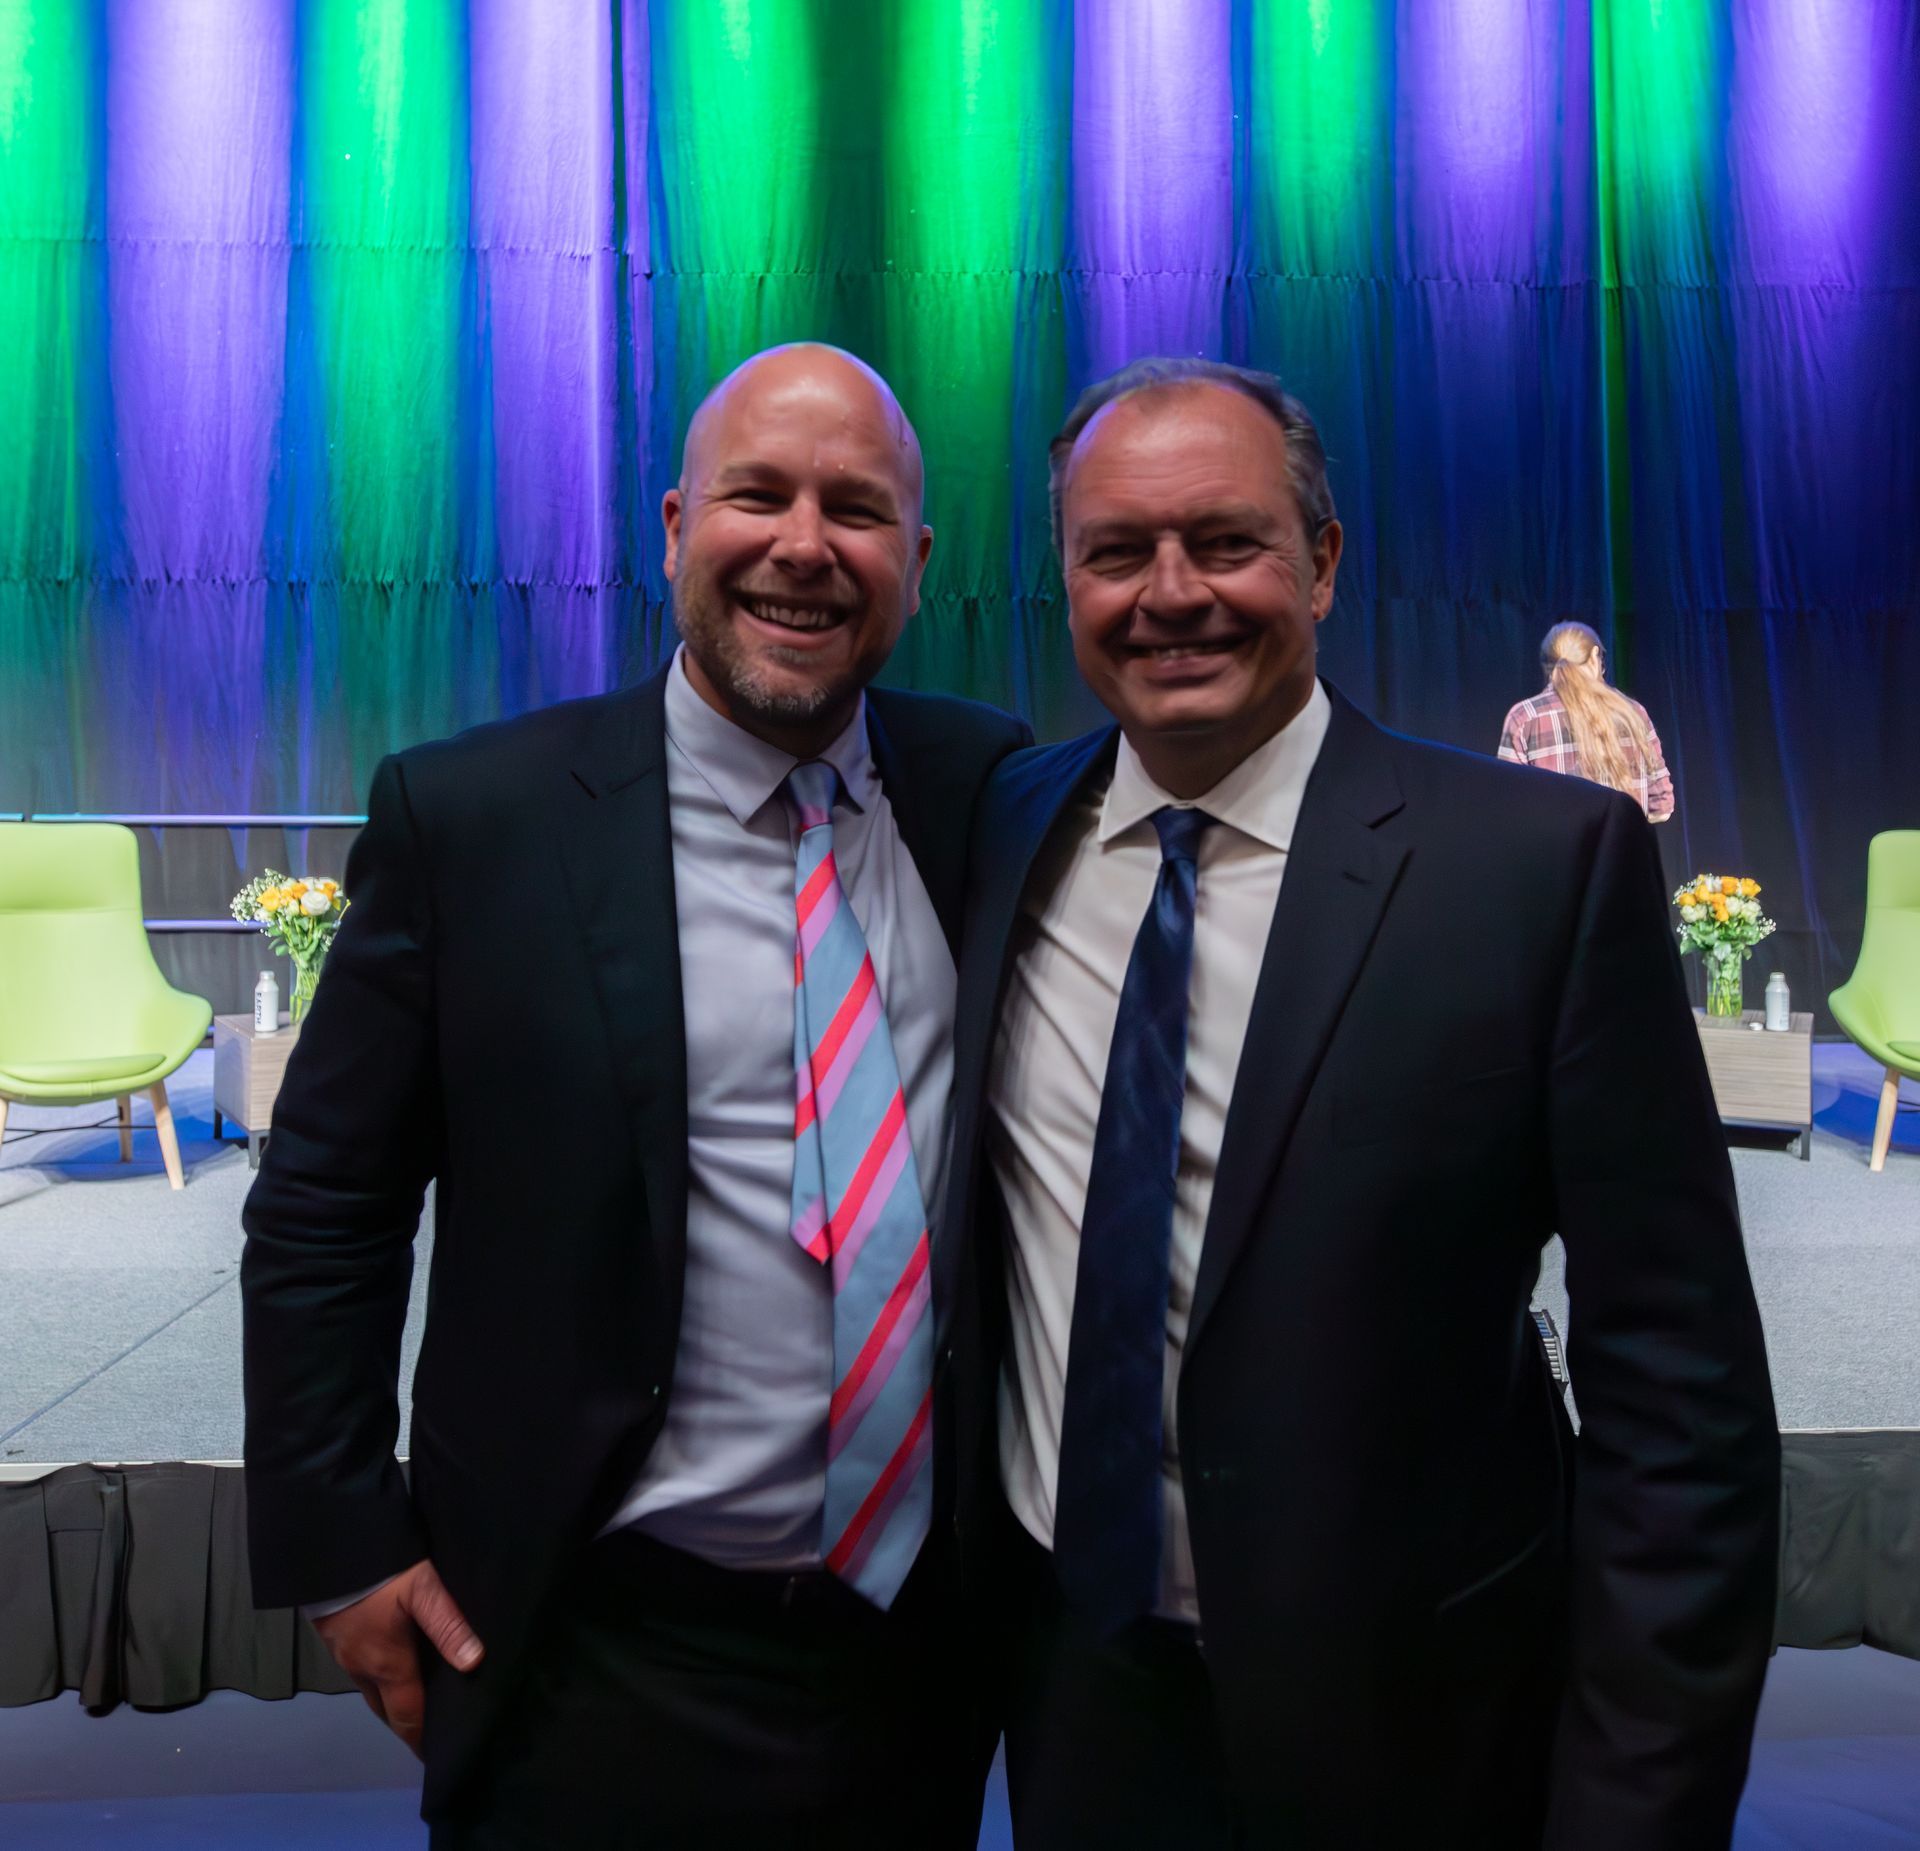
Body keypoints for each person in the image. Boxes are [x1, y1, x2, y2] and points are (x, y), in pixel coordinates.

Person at [941, 358, 1779, 1848]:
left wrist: (1645, 1795)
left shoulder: (1539, 868)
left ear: (1323, 562)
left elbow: (1682, 1387)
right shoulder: (1007, 826)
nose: (1170, 591)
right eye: (1115, 551)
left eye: (1228, 539)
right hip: (1079, 1702)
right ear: (1062, 579)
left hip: (1427, 1721)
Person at [240, 343, 1029, 1848]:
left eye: (856, 509)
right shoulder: (473, 817)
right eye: (759, 495)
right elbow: (326, 1205)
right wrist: (339, 1543)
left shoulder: (985, 786)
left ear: (916, 563)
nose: (805, 544)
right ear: (674, 526)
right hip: (586, 1646)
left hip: (921, 1655)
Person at [1498, 620, 1675, 821]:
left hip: (1555, 850)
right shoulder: (1633, 713)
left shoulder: (1524, 717)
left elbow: (1509, 805)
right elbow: (1662, 808)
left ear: (1547, 664)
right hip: (1622, 850)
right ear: (1593, 656)